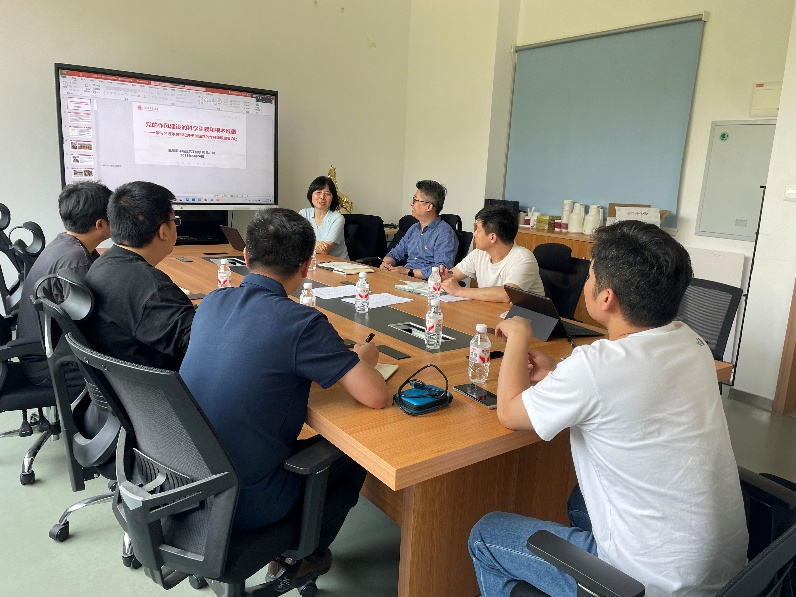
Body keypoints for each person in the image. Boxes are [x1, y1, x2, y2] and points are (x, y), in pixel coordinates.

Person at [468, 221, 747, 597]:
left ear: (606, 298)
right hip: (728, 574)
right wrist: (558, 371)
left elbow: (509, 413)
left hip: (645, 584)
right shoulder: (690, 341)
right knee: (577, 501)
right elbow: (631, 383)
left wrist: (519, 337)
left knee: (486, 535)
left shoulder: (595, 366)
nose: (586, 281)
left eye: (590, 274)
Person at [179, 207, 388, 591]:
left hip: (187, 482)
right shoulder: (302, 323)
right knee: (355, 456)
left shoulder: (211, 302)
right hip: (245, 501)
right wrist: (363, 359)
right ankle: (304, 556)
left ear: (245, 257)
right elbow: (376, 396)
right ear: (307, 266)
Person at [82, 181, 194, 370]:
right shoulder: (155, 290)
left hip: (122, 379)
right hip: (163, 383)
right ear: (163, 231)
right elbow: (202, 348)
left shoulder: (102, 263)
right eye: (174, 221)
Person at [16, 182, 111, 393]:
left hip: (43, 354)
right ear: (100, 224)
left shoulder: (65, 243)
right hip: (51, 367)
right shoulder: (75, 260)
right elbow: (96, 324)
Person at [439, 204, 544, 302]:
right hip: (493, 311)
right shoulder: (479, 253)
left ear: (492, 237)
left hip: (527, 314)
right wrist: (443, 275)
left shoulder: (523, 258)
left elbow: (507, 295)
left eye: (478, 230)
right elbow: (453, 275)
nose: (474, 234)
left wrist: (459, 291)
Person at [380, 179, 457, 279]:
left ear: (429, 207)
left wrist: (408, 272)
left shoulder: (445, 233)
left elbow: (442, 270)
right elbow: (396, 253)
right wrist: (386, 264)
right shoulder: (414, 228)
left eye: (415, 200)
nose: (411, 203)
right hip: (405, 279)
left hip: (427, 283)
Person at [298, 175, 349, 259]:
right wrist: (315, 244)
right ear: (311, 194)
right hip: (314, 261)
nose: (322, 197)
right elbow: (296, 241)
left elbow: (325, 250)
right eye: (318, 192)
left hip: (337, 263)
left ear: (332, 198)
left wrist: (307, 243)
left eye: (327, 194)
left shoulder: (337, 218)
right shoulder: (304, 214)